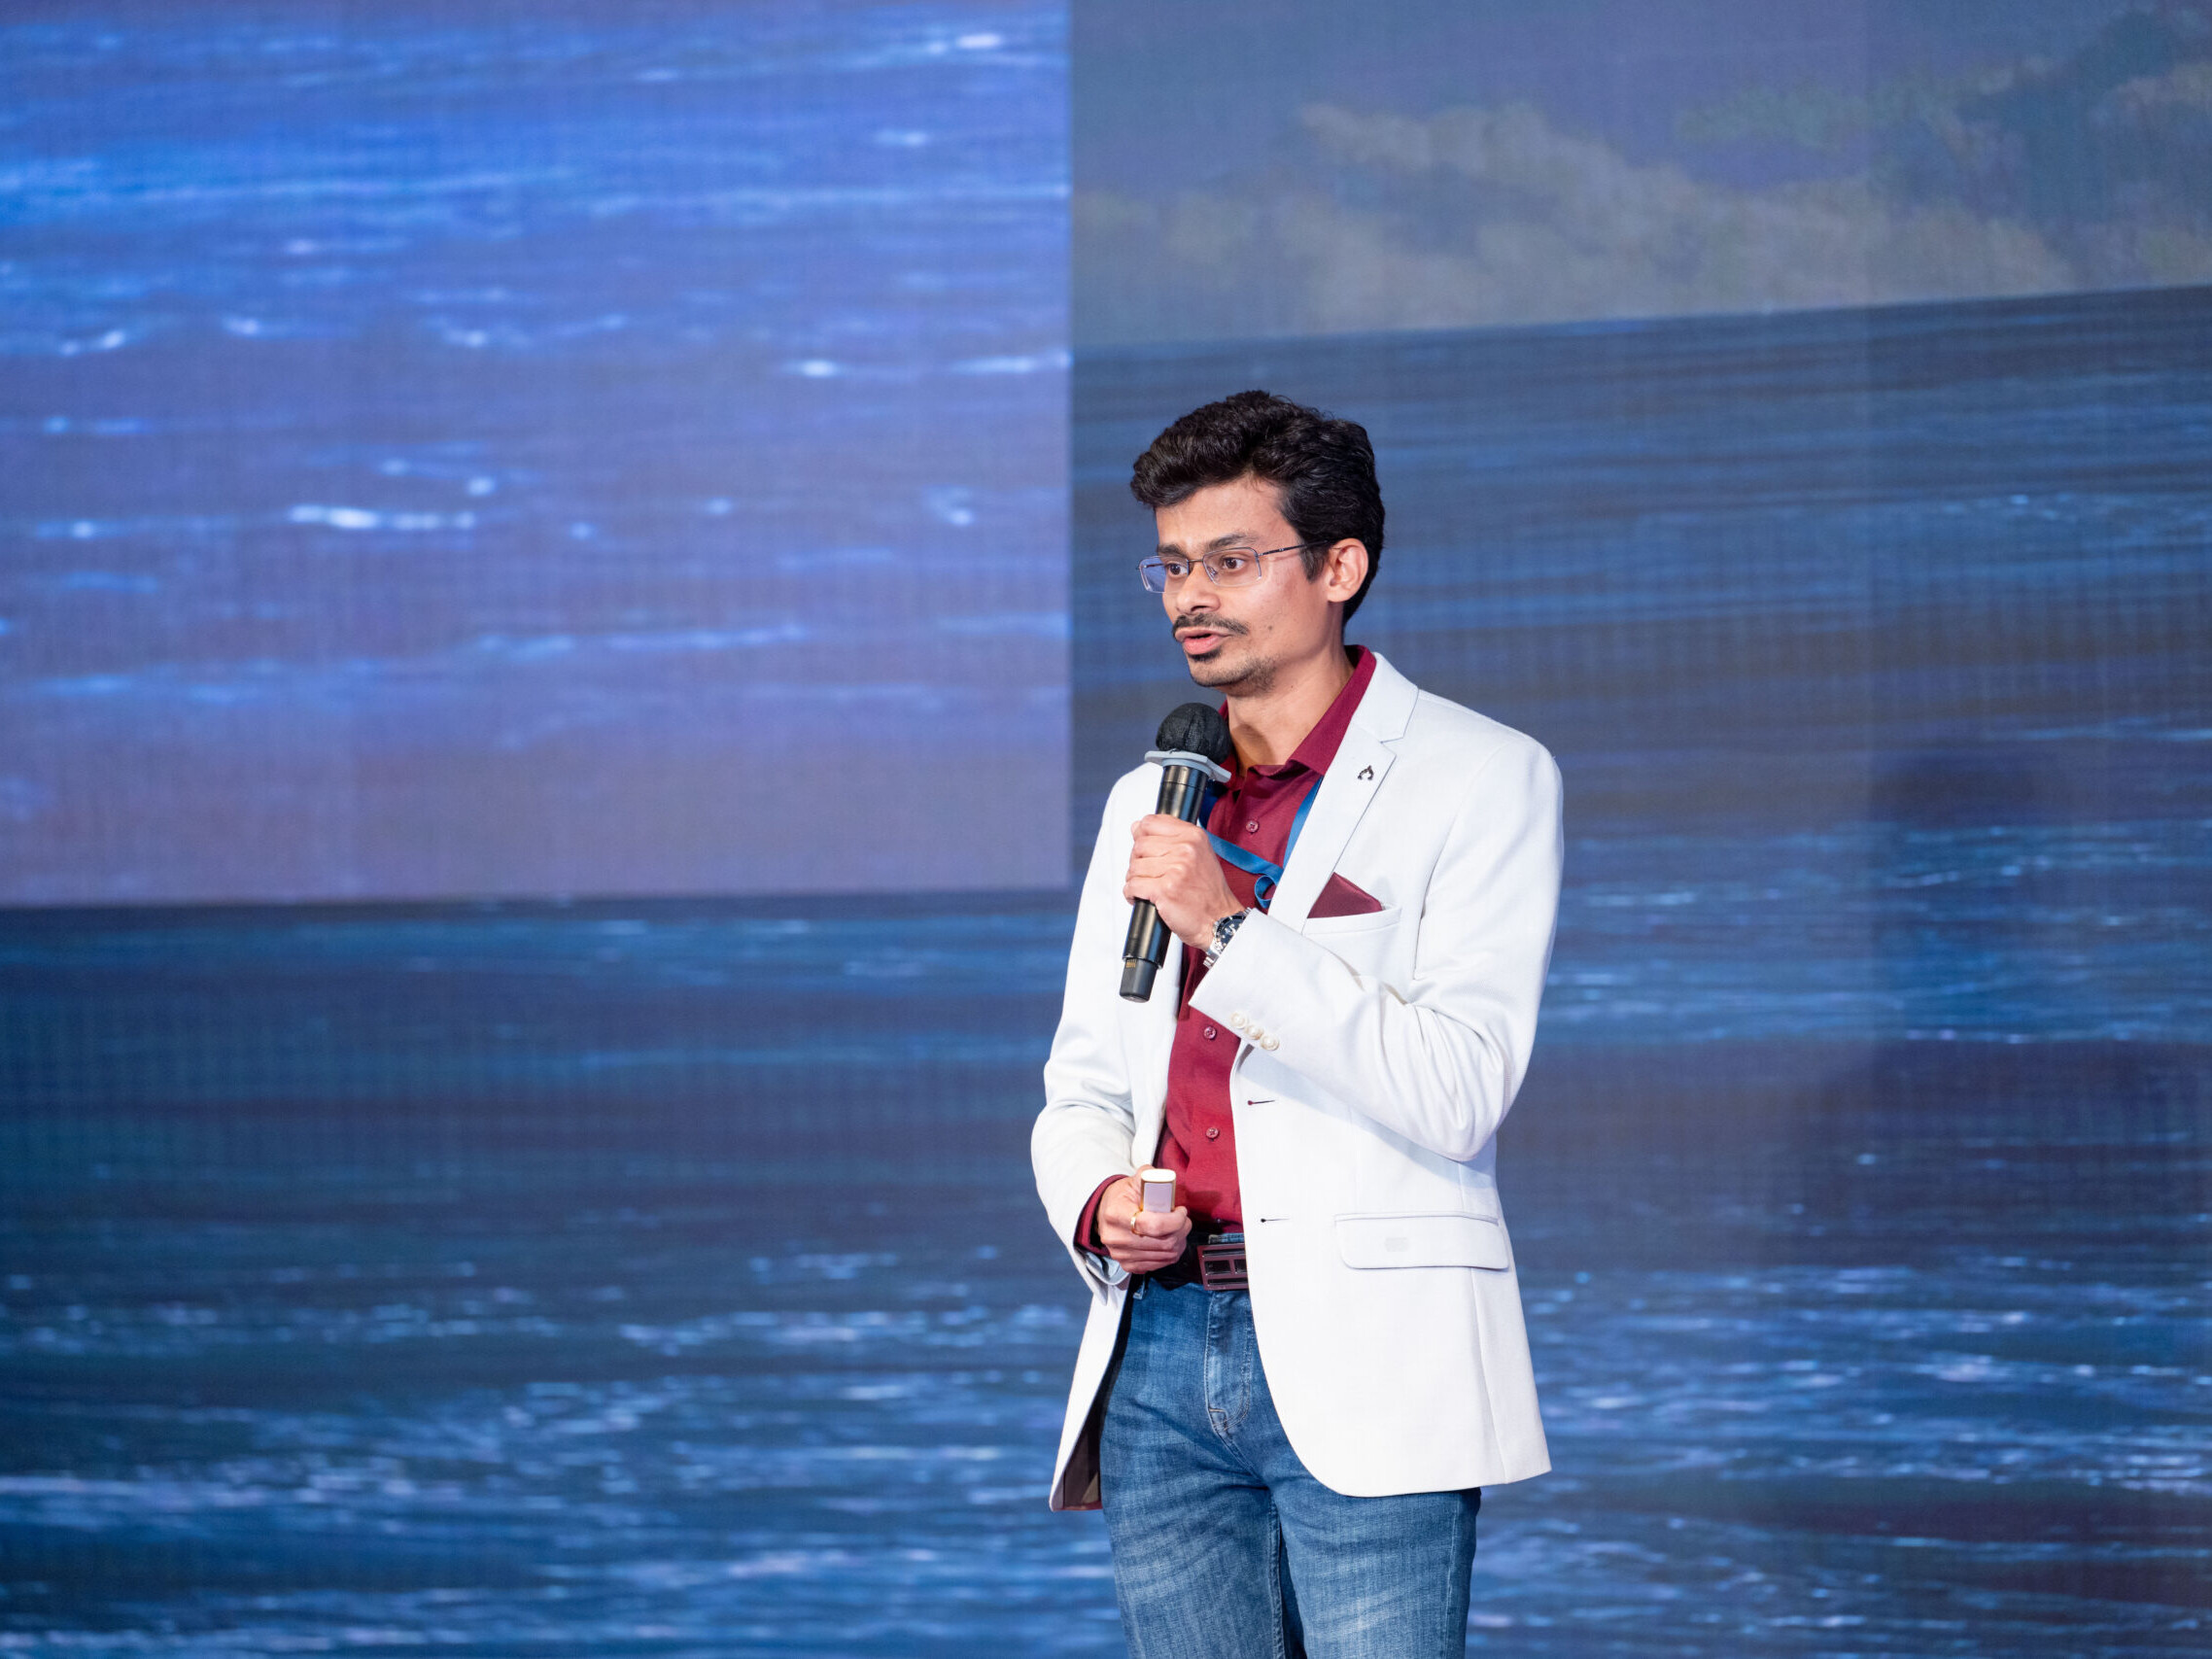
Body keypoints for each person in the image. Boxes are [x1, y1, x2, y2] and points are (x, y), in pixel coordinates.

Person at [1031, 390, 1563, 1657]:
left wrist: (1230, 930)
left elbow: (1458, 1087)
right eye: (1172, 565)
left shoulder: (1481, 776)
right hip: (1159, 1346)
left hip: (1369, 1347)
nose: (1189, 597)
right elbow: (1085, 1080)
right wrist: (1100, 1199)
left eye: (1230, 561)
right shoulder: (1152, 799)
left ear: (1339, 568)